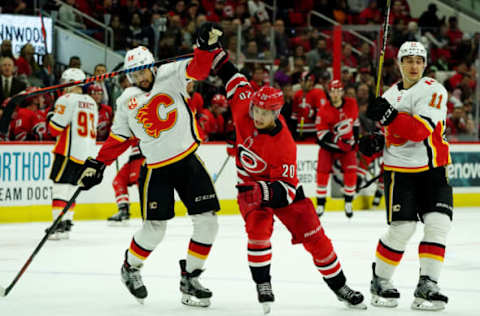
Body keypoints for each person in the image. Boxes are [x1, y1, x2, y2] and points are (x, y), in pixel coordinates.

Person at [76, 23, 227, 307]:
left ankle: (191, 278)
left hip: (188, 161)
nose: (139, 78)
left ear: (152, 66)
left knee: (208, 223)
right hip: (156, 168)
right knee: (155, 228)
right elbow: (118, 138)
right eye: (133, 74)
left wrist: (204, 47)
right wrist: (98, 163)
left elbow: (199, 69)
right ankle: (130, 267)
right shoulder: (126, 100)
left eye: (142, 71)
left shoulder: (172, 72)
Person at [214, 50, 366, 313]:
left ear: (277, 112)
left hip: (283, 191)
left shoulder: (284, 143)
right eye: (256, 109)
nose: (258, 116)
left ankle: (340, 285)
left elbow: (284, 190)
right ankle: (263, 284)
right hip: (250, 188)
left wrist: (262, 190)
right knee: (258, 231)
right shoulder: (243, 108)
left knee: (316, 237)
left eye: (265, 112)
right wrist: (213, 47)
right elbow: (231, 76)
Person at [363, 41, 452, 311]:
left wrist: (388, 116)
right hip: (400, 172)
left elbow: (418, 132)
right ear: (399, 63)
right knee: (403, 229)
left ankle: (428, 283)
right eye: (408, 60)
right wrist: (374, 141)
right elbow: (391, 132)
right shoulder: (390, 95)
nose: (414, 66)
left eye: (419, 61)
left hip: (434, 167)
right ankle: (381, 280)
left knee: (438, 223)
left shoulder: (434, 90)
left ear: (425, 64)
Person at [47, 68, 98, 240]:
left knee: (60, 188)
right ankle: (68, 222)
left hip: (67, 152)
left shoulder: (66, 99)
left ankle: (58, 224)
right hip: (87, 155)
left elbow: (54, 128)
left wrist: (49, 116)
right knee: (71, 189)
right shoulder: (92, 102)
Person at [315, 79, 359, 218]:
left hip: (346, 147)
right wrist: (339, 142)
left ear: (342, 92)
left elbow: (355, 123)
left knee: (351, 172)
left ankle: (348, 202)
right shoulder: (323, 110)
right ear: (329, 93)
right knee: (322, 173)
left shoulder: (351, 104)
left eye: (338, 91)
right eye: (333, 91)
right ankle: (321, 204)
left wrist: (355, 141)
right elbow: (322, 134)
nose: (335, 94)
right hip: (328, 147)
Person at [107, 139, 144, 224]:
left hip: (144, 156)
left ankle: (152, 211)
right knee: (118, 180)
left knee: (142, 183)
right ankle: (123, 210)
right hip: (133, 158)